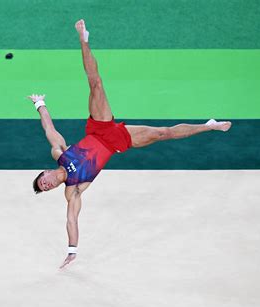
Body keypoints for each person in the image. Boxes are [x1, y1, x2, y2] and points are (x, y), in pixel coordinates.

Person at [28, 19, 231, 269]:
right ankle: (208, 126)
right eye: (45, 187)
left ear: (46, 172)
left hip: (99, 127)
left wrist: (40, 104)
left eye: (43, 180)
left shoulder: (60, 153)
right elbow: (72, 219)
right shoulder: (73, 189)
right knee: (163, 133)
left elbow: (49, 129)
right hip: (116, 142)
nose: (46, 184)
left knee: (96, 83)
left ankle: (83, 39)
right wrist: (72, 249)